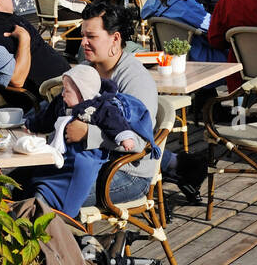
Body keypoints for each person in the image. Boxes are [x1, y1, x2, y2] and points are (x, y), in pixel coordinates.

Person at [77, 3, 204, 207]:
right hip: (90, 162)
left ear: (115, 39)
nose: (83, 42)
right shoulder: (85, 70)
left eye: (91, 37)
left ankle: (81, 239)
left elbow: (137, 142)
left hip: (128, 172)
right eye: (82, 35)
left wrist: (86, 134)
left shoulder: (134, 79)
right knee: (30, 183)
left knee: (51, 195)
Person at [19, 64, 156, 218]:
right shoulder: (63, 103)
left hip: (86, 157)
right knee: (28, 177)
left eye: (67, 91)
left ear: (82, 93)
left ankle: (66, 221)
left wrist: (124, 137)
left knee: (64, 184)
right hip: (63, 155)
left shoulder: (99, 107)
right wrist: (31, 124)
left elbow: (115, 123)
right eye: (63, 89)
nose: (63, 94)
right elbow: (47, 118)